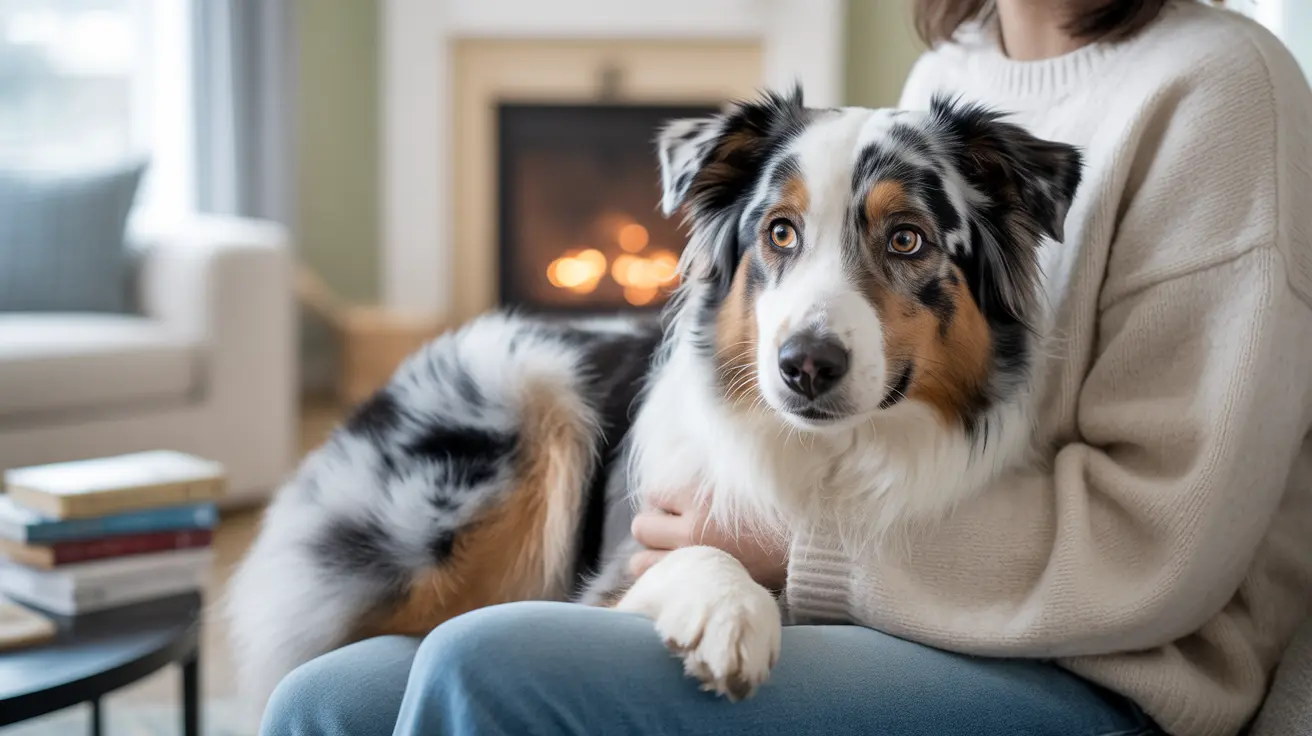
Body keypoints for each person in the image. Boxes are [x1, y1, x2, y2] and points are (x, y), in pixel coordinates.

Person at [260, 1, 1312, 734]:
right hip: (921, 619)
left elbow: (1156, 549)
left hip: (1096, 685)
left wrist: (775, 542)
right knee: (332, 702)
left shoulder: (1223, 90)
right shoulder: (954, 71)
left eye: (899, 248)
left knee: (480, 669)